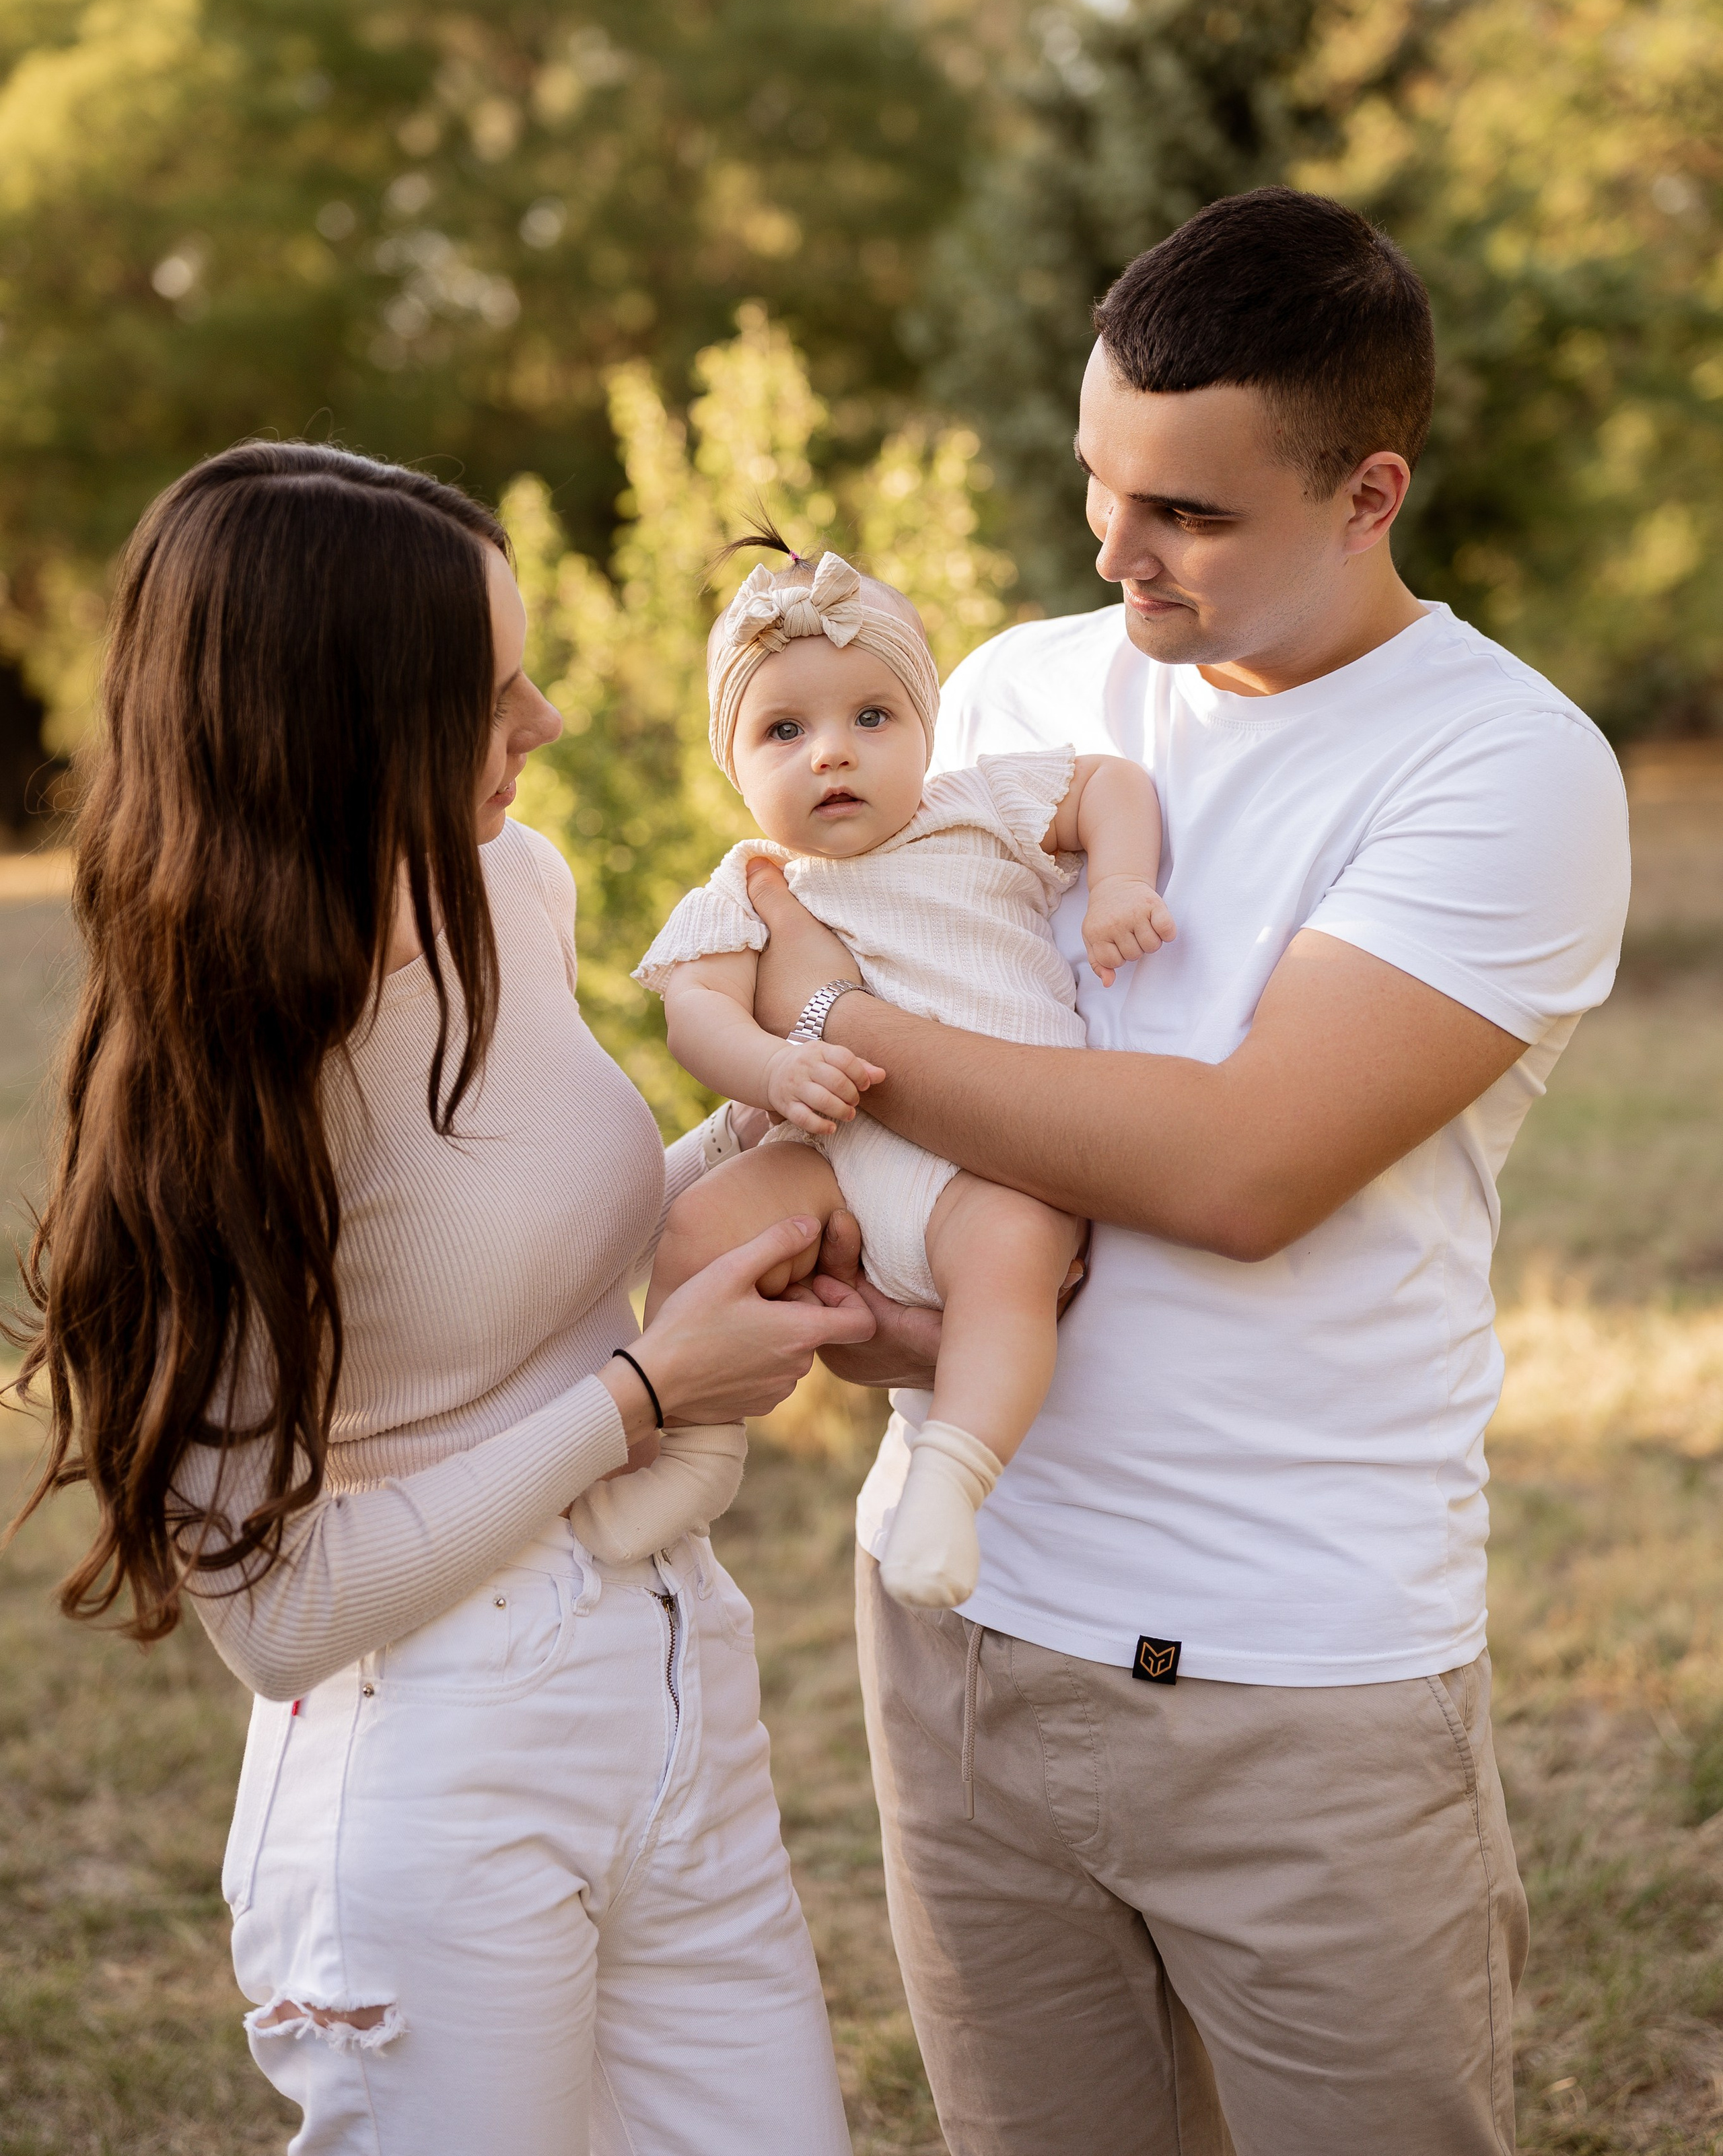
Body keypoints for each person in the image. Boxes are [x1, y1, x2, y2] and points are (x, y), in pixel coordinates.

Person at [742, 188, 1633, 2155]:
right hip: (968, 1636)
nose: (1115, 555)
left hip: (1295, 1682)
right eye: (1097, 485)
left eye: (1190, 515)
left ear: (1368, 490)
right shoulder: (1003, 694)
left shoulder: (1500, 767)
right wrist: (893, 1311)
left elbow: (1241, 1172)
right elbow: (966, 1142)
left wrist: (821, 1024)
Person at [11, 442, 872, 2156]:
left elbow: (540, 1224)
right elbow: (281, 1612)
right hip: (432, 1765)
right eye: (490, 693)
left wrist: (772, 1127)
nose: (544, 718)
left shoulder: (510, 887)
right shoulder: (224, 1078)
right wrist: (644, 1394)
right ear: (339, 726)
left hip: (667, 1675)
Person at [611, 539, 1170, 1609]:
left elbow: (1111, 785)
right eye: (786, 730)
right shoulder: (754, 880)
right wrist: (773, 1068)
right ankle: (694, 1451)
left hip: (999, 1164)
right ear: (734, 764)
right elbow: (697, 1013)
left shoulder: (979, 807)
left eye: (873, 718)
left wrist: (1119, 884)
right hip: (838, 1160)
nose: (834, 753)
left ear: (926, 726)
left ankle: (951, 1484)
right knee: (698, 1232)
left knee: (1013, 1267)